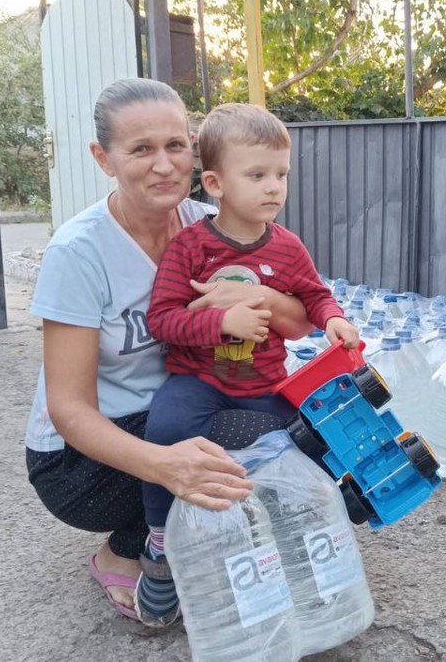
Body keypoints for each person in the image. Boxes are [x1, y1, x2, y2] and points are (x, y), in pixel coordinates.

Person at [24, 78, 318, 624]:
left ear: (195, 150)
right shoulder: (79, 252)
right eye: (140, 149)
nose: (163, 165)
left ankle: (203, 533)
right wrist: (166, 467)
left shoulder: (205, 225)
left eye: (175, 145)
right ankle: (127, 548)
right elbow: (68, 408)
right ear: (103, 158)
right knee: (250, 443)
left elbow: (299, 321)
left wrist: (257, 294)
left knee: (297, 430)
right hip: (78, 461)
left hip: (178, 404)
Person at [137, 103, 360, 624]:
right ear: (214, 183)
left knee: (309, 446)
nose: (273, 188)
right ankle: (160, 546)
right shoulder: (191, 247)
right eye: (256, 175)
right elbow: (162, 320)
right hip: (198, 381)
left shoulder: (287, 248)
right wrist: (221, 324)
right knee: (164, 429)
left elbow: (314, 295)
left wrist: (334, 320)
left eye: (280, 174)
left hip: (266, 384)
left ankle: (309, 534)